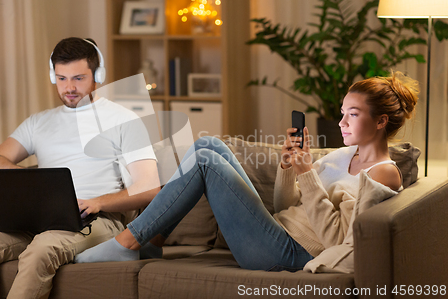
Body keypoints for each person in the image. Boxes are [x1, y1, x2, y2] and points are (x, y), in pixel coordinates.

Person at [75, 71, 419, 272]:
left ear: (381, 121)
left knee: (207, 161)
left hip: (291, 254)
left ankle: (128, 241)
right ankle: (148, 243)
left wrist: (308, 175)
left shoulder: (384, 174)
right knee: (207, 147)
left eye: (353, 115)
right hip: (276, 231)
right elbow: (285, 206)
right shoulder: (342, 155)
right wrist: (289, 168)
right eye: (342, 112)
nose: (342, 122)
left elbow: (334, 241)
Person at [0, 37, 161, 299]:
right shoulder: (39, 122)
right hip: (39, 218)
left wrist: (98, 202)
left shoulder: (124, 119)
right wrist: (35, 185)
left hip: (96, 219)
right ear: (53, 76)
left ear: (98, 75)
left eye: (78, 78)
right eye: (62, 78)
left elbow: (150, 187)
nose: (69, 88)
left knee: (43, 247)